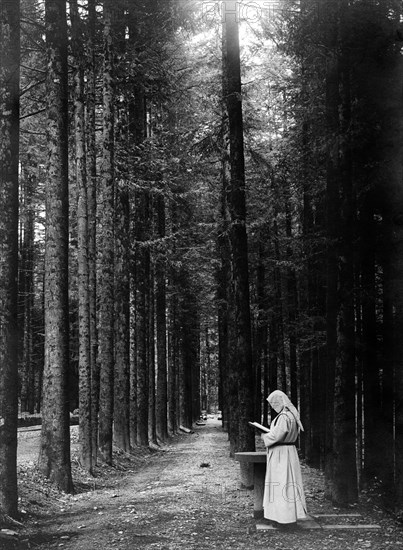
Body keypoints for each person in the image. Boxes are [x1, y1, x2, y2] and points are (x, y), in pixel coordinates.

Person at [261, 390, 307, 528]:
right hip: (288, 452)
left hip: (281, 453)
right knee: (287, 485)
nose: (273, 406)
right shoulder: (291, 415)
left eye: (274, 403)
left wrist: (265, 436)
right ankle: (285, 516)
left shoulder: (284, 417)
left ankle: (283, 519)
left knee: (281, 484)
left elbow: (277, 436)